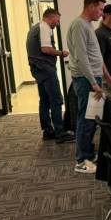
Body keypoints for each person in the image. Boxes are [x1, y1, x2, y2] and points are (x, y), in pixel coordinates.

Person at [67, 0, 106, 174]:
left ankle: (88, 155)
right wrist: (93, 82)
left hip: (93, 78)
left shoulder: (88, 24)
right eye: (101, 9)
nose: (102, 13)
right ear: (91, 7)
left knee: (92, 119)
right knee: (85, 119)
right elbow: (81, 57)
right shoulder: (79, 25)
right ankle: (81, 161)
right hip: (86, 80)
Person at [25, 8, 74, 143]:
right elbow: (46, 49)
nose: (58, 24)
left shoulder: (34, 28)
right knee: (57, 100)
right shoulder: (44, 28)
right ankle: (60, 133)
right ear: (51, 17)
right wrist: (62, 53)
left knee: (45, 101)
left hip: (37, 69)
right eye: (57, 21)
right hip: (46, 69)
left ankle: (48, 131)